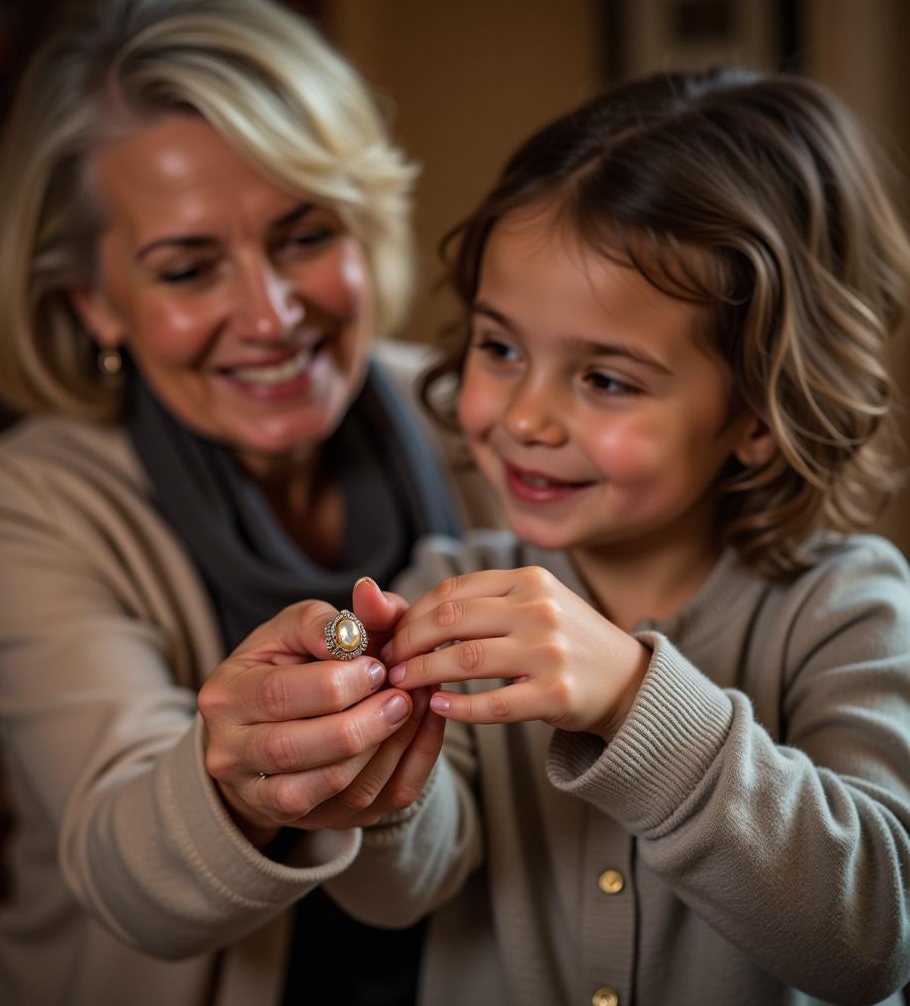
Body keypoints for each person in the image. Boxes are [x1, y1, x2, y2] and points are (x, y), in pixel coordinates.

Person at [0, 0, 498, 1004]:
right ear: (94, 303)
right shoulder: (23, 497)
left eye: (303, 236)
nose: (270, 314)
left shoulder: (486, 423)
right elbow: (126, 878)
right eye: (190, 268)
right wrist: (235, 783)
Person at [376, 68, 910, 1004]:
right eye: (500, 348)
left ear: (757, 412)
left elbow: (870, 940)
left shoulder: (849, 610)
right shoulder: (451, 586)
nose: (526, 418)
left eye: (607, 380)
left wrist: (635, 703)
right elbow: (396, 894)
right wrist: (367, 787)